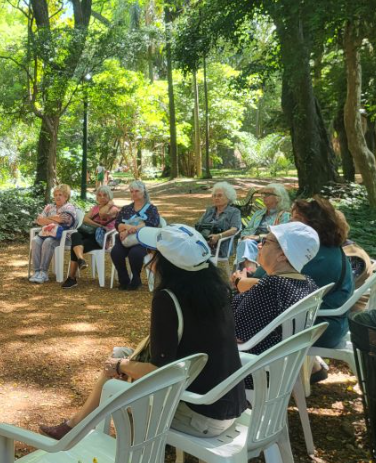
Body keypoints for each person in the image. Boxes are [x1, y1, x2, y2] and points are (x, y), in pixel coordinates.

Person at [39, 225, 246, 440]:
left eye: (151, 252)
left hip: (199, 413)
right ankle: (75, 425)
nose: (148, 257)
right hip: (226, 404)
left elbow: (158, 370)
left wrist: (119, 366)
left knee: (116, 375)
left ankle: (120, 444)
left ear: (164, 261)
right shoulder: (214, 288)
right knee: (121, 354)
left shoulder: (168, 298)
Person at [233, 197, 352, 382]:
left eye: (295, 219)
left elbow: (271, 288)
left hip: (317, 326)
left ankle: (307, 369)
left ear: (313, 225)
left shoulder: (314, 258)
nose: (289, 223)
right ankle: (311, 367)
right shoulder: (315, 252)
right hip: (307, 321)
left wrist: (240, 283)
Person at [231, 222, 320, 365]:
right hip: (277, 367)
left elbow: (236, 335)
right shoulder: (309, 283)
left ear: (282, 255)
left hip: (250, 368)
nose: (259, 245)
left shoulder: (272, 287)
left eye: (265, 241)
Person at [61, 186, 119, 289]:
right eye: (99, 195)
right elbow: (85, 219)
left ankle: (72, 278)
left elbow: (102, 214)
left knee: (75, 246)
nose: (101, 198)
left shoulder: (114, 209)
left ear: (109, 196)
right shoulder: (95, 208)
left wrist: (110, 203)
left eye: (104, 195)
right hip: (89, 234)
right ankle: (81, 260)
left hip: (101, 239)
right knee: (75, 235)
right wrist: (99, 226)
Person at [110, 180, 160, 290]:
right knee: (115, 253)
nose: (134, 193)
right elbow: (118, 224)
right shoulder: (126, 208)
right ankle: (124, 280)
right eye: (131, 191)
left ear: (144, 192)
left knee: (135, 254)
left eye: (137, 191)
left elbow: (152, 224)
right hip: (124, 239)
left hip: (142, 241)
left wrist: (128, 229)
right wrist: (126, 229)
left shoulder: (151, 209)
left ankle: (136, 279)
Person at [234, 183, 291, 272]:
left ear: (278, 198)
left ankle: (248, 272)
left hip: (270, 244)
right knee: (246, 242)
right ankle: (249, 272)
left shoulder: (284, 215)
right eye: (263, 194)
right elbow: (247, 230)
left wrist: (258, 237)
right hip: (251, 241)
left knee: (247, 243)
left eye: (268, 194)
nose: (264, 196)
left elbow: (281, 235)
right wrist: (245, 236)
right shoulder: (258, 214)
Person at [29, 184, 78, 284]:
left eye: (60, 194)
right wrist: (54, 219)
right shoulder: (49, 207)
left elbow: (64, 220)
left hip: (63, 237)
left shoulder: (69, 207)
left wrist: (47, 219)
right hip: (46, 233)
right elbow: (39, 221)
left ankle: (44, 272)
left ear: (66, 196)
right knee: (35, 240)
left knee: (48, 242)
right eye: (55, 195)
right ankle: (37, 271)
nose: (57, 197)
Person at [194, 182, 242, 258]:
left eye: (220, 196)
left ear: (228, 197)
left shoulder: (234, 212)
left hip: (221, 245)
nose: (216, 198)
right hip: (204, 242)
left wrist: (218, 236)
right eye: (214, 196)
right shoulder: (210, 210)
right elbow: (199, 225)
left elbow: (234, 229)